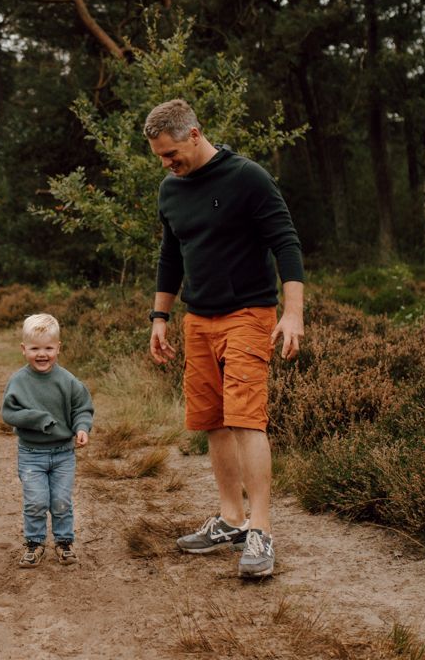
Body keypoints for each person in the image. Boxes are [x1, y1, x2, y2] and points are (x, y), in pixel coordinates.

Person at [143, 99, 304, 579]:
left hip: (249, 313)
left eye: (172, 153)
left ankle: (261, 530)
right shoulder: (171, 188)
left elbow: (286, 242)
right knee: (213, 420)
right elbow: (171, 254)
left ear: (195, 134)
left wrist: (292, 313)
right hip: (200, 319)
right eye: (160, 158)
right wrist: (159, 317)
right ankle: (232, 519)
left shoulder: (247, 177)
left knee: (247, 418)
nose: (168, 164)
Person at [1, 313, 95, 568]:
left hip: (64, 453)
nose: (42, 354)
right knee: (36, 501)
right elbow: (8, 413)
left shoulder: (68, 380)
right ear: (24, 349)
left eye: (48, 348)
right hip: (31, 454)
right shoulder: (19, 381)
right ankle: (34, 544)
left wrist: (82, 427)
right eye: (34, 348)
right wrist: (37, 418)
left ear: (58, 348)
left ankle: (64, 543)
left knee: (61, 501)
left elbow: (82, 408)